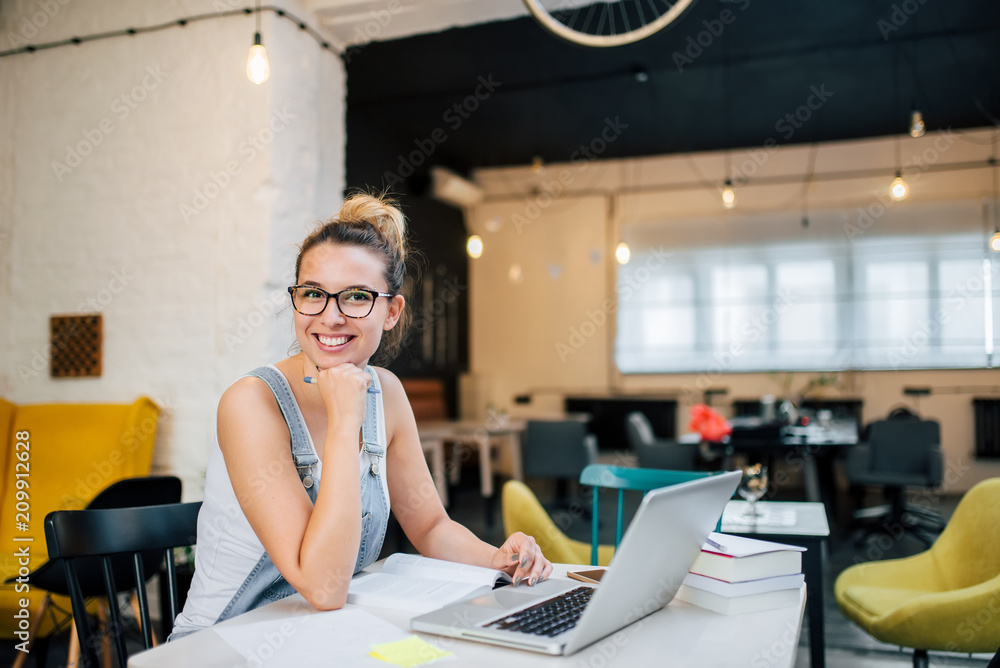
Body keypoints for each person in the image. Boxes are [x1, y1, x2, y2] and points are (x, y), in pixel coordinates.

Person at [170, 193, 552, 638]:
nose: (330, 317)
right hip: (224, 644)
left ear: (392, 311)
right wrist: (344, 421)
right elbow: (324, 587)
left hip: (318, 634)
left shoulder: (386, 392)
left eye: (356, 297)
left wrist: (498, 558)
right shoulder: (250, 403)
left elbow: (429, 525)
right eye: (313, 294)